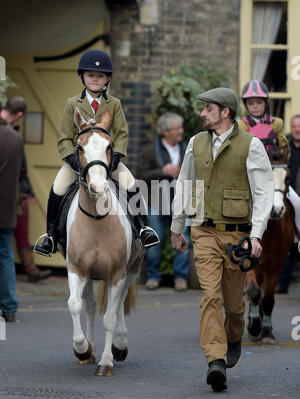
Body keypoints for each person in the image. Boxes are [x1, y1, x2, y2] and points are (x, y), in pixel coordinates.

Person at [170, 87, 274, 391]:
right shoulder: (195, 143)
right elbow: (185, 183)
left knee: (234, 304)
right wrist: (178, 227)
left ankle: (233, 335)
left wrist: (256, 235)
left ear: (225, 112)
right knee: (210, 296)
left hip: (237, 235)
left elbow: (264, 192)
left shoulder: (251, 146)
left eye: (208, 108)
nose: (202, 113)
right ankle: (215, 360)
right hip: (202, 229)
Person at [33, 49, 159, 257]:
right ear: (82, 76)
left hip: (107, 160)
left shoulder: (114, 104)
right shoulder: (73, 103)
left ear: (107, 79)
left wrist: (117, 155)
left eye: (100, 76)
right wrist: (73, 160)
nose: (95, 79)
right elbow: (64, 138)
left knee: (131, 185)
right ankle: (51, 236)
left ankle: (143, 230)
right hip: (80, 160)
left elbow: (122, 134)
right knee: (57, 189)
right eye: (91, 75)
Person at [238, 80, 300, 291]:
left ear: (266, 103)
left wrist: (280, 160)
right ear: (246, 104)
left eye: (259, 102)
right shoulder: (241, 125)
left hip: (274, 172)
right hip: (252, 174)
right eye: (251, 103)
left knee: (296, 201)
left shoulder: (277, 123)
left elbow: (284, 146)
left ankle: (296, 240)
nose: (255, 106)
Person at [136, 113, 190, 291]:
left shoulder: (188, 148)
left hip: (180, 202)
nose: (181, 131)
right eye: (177, 128)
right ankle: (153, 277)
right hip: (156, 201)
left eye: (181, 128)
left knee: (183, 239)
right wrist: (163, 171)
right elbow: (140, 175)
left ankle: (181, 278)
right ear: (165, 131)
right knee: (154, 241)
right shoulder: (150, 150)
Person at [0, 97, 52, 282]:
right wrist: (26, 191)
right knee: (7, 249)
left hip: (14, 195)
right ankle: (28, 273)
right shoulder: (13, 137)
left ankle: (31, 269)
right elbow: (22, 170)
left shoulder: (12, 134)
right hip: (12, 197)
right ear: (20, 115)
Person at [0, 109, 25, 322]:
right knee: (6, 256)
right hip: (6, 208)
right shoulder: (15, 138)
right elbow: (23, 173)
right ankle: (9, 308)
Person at [275, 114, 300, 293]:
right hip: (287, 194)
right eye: (295, 126)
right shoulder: (285, 146)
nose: (297, 129)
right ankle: (281, 284)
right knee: (283, 239)